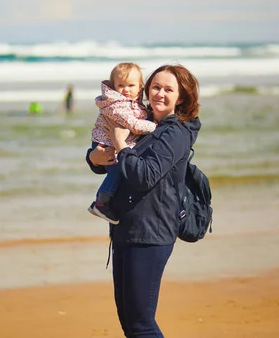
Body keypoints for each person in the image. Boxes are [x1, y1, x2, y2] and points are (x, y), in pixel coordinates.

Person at [86, 64, 201, 337]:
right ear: (146, 90)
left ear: (181, 97)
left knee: (141, 324)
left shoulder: (175, 132)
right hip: (125, 227)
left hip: (151, 232)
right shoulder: (140, 117)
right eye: (156, 87)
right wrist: (95, 157)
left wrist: (121, 143)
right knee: (128, 320)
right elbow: (110, 163)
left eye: (168, 89)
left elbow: (144, 176)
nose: (160, 93)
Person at [88, 62, 157, 224]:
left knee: (123, 171)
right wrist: (156, 127)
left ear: (140, 87)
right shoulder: (116, 105)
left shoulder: (133, 103)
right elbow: (133, 125)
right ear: (113, 87)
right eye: (121, 85)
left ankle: (112, 201)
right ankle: (101, 202)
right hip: (105, 145)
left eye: (131, 85)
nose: (126, 90)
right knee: (118, 170)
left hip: (114, 144)